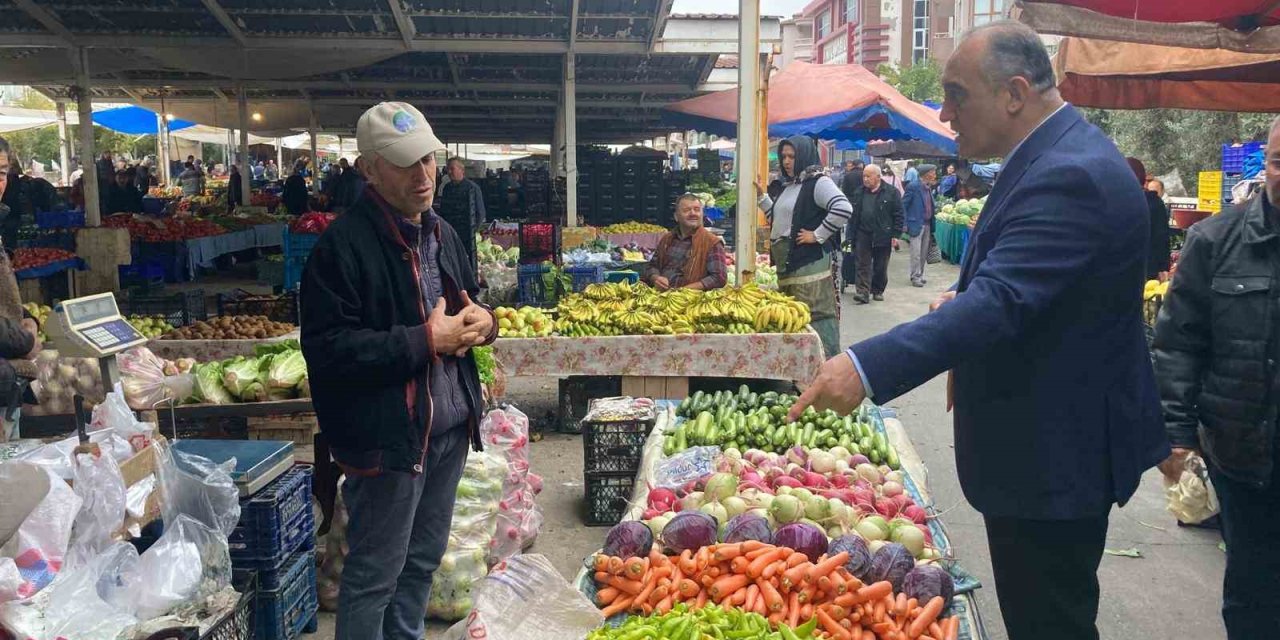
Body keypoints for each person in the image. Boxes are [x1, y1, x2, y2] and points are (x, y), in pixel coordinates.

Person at [789, 22, 1168, 640]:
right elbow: (1032, 287)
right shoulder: (1052, 155)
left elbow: (1002, 303)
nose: (945, 113)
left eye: (956, 94)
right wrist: (964, 299)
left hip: (1053, 456)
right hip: (1043, 448)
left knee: (1049, 623)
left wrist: (864, 366)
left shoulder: (1070, 171)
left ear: (1014, 93)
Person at [300, 101, 496, 640]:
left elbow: (469, 302)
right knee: (374, 575)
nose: (423, 174)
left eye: (428, 159)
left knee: (422, 563)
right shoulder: (341, 248)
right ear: (369, 169)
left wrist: (485, 322)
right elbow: (330, 351)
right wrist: (425, 341)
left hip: (448, 431)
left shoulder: (443, 233)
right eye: (405, 163)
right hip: (389, 439)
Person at [1153, 116, 1280, 639]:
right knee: (1252, 590)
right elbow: (1178, 344)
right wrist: (1176, 433)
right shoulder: (1214, 240)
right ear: (1265, 164)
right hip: (1244, 455)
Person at [755, 136, 852, 358]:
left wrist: (817, 235)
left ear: (805, 156)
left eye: (792, 156)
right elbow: (781, 220)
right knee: (794, 319)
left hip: (809, 267)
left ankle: (826, 365)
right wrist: (762, 197)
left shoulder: (818, 182)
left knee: (816, 317)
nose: (786, 161)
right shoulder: (791, 185)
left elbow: (843, 208)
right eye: (784, 157)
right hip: (790, 268)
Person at [643, 194, 727, 291]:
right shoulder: (667, 238)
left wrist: (684, 291)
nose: (693, 213)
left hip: (692, 299)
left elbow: (719, 278)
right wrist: (656, 278)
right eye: (686, 210)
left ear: (702, 214)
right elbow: (652, 266)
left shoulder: (712, 242)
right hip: (662, 296)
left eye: (697, 210)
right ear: (676, 217)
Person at [847, 164, 903, 303]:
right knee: (862, 264)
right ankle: (862, 293)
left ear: (878, 177)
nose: (865, 179)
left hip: (883, 234)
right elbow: (853, 215)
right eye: (864, 176)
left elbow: (899, 214)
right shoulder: (859, 192)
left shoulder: (891, 192)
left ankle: (877, 290)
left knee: (880, 266)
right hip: (863, 233)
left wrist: (896, 235)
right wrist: (850, 235)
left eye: (868, 176)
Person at [438, 158, 486, 269]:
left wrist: (472, 231)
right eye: (448, 169)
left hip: (467, 234)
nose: (449, 172)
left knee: (467, 263)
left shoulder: (472, 188)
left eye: (452, 169)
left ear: (461, 170)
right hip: (450, 233)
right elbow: (443, 211)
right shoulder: (447, 188)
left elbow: (480, 213)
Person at [1127, 158, 1171, 281]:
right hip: (1148, 266)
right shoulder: (1154, 202)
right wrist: (1163, 267)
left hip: (1121, 266)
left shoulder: (1115, 200)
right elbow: (1161, 236)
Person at [903, 163, 938, 287]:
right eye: (933, 172)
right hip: (916, 224)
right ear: (927, 174)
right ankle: (915, 276)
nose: (935, 175)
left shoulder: (928, 188)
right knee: (916, 253)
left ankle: (920, 274)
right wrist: (904, 224)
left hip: (927, 224)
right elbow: (904, 205)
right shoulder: (913, 186)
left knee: (923, 253)